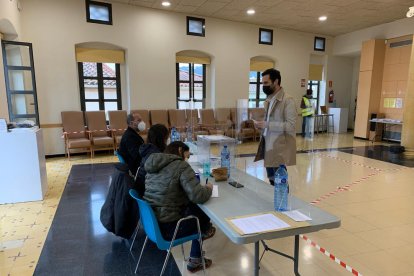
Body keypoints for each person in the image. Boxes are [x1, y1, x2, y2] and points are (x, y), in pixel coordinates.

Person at [144, 141, 215, 273]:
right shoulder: (181, 166)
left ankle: (205, 234)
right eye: (187, 156)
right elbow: (198, 196)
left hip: (152, 224)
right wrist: (208, 188)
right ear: (180, 150)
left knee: (193, 209)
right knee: (203, 217)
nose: (186, 159)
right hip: (170, 228)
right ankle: (196, 259)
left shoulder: (152, 165)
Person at [253, 68, 297, 185]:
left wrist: (268, 124)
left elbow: (291, 126)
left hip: (279, 148)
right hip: (268, 146)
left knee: (280, 182)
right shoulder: (269, 99)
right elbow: (271, 122)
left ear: (276, 82)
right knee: (272, 180)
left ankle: (282, 202)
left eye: (266, 83)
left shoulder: (288, 100)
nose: (264, 86)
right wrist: (261, 125)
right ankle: (275, 202)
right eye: (262, 83)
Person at [134, 124, 169, 197]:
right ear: (162, 139)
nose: (168, 139)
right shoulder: (156, 156)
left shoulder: (148, 150)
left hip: (143, 189)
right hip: (150, 195)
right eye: (167, 137)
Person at [118, 112, 145, 176]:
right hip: (135, 168)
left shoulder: (131, 134)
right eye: (139, 120)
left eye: (141, 120)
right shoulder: (130, 137)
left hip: (133, 165)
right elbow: (137, 157)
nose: (142, 122)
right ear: (131, 123)